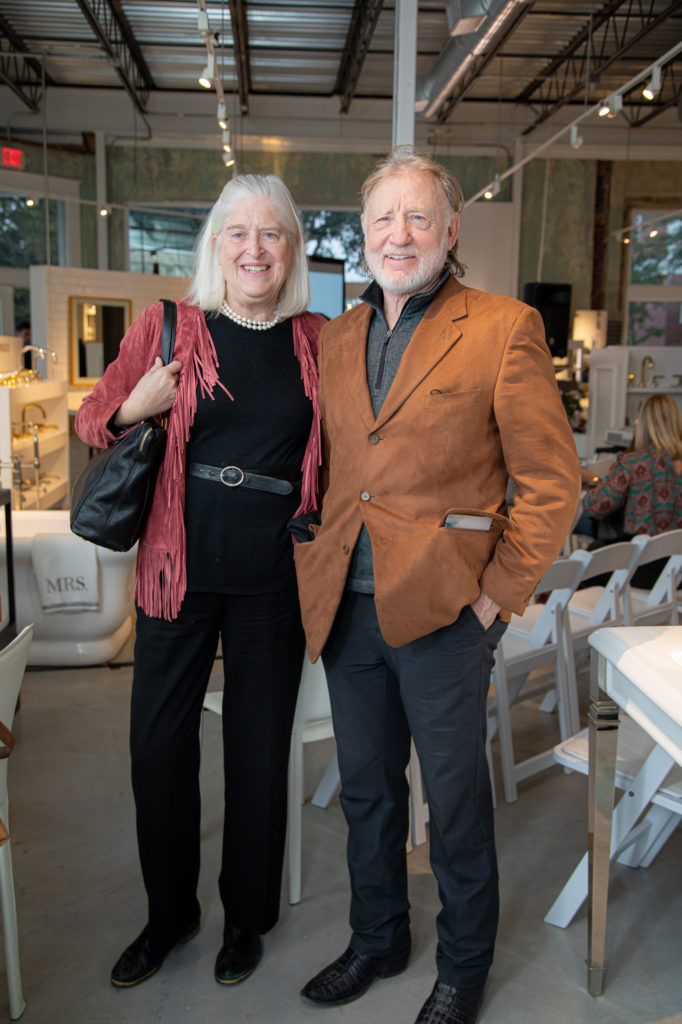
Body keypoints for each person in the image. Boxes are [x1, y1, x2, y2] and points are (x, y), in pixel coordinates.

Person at [293, 148, 581, 1024]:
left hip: (446, 610)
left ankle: (462, 967)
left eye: (419, 216)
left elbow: (552, 483)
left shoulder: (503, 326)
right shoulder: (339, 335)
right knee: (369, 790)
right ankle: (378, 937)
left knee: (453, 804)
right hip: (348, 605)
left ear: (451, 230)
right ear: (363, 231)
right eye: (384, 217)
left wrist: (495, 597)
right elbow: (345, 465)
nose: (399, 233)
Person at [75, 174, 325, 989]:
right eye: (238, 234)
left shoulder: (317, 339)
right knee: (157, 752)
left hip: (273, 579)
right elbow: (90, 419)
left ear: (291, 248)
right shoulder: (169, 327)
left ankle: (245, 918)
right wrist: (131, 406)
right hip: (175, 574)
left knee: (257, 757)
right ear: (216, 246)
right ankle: (169, 914)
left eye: (272, 234)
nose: (254, 249)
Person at [581, 393, 682, 586]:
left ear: (643, 424)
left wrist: (594, 487)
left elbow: (594, 507)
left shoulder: (633, 462)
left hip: (641, 567)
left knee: (586, 562)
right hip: (677, 571)